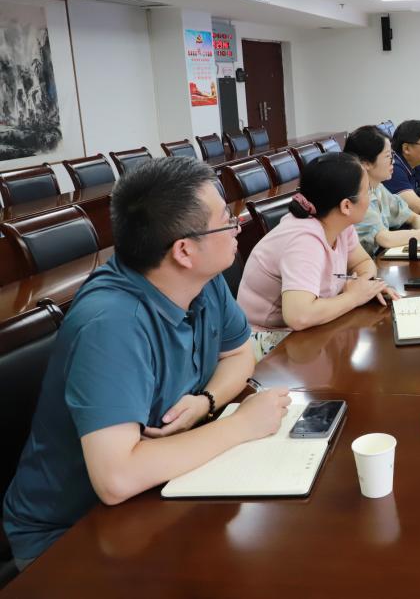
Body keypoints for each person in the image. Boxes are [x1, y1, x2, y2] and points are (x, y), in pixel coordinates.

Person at [2, 158, 292, 569]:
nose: (237, 226)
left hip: (157, 490)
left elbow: (239, 353)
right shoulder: (111, 324)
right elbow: (116, 478)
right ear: (184, 250)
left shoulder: (202, 280)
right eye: (225, 220)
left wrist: (207, 401)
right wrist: (241, 425)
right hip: (73, 534)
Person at [237, 153, 399, 359]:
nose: (371, 197)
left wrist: (364, 286)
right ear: (346, 206)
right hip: (265, 339)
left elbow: (363, 262)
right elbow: (299, 316)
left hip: (306, 330)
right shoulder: (304, 240)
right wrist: (354, 297)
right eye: (367, 191)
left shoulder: (340, 225)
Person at [344, 124, 420, 255]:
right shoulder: (356, 196)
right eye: (388, 156)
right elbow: (385, 239)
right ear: (366, 164)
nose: (393, 161)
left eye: (392, 155)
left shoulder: (377, 187)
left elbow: (411, 217)